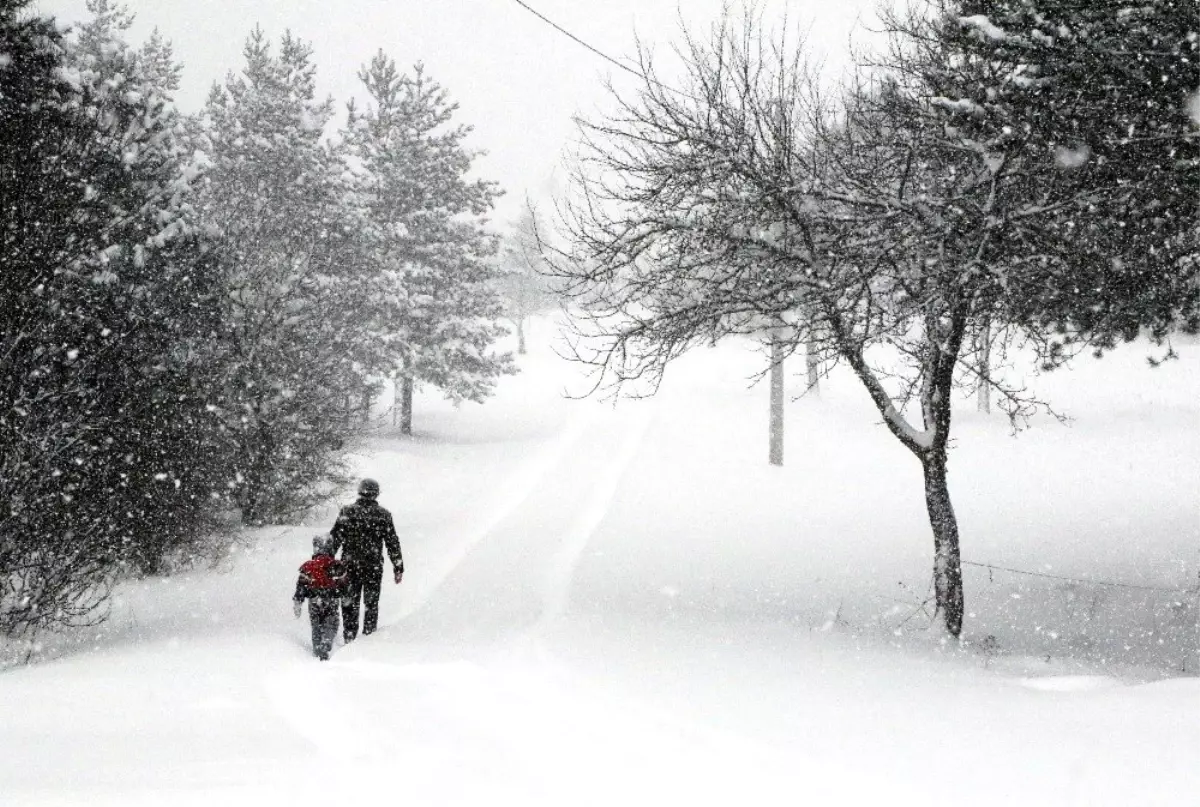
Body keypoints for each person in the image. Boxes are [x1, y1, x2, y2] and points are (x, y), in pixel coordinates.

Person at [330, 477, 404, 643]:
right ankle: (369, 639)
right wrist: (398, 567)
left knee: (349, 603)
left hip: (349, 566)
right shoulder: (384, 515)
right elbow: (392, 542)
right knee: (371, 603)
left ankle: (349, 637)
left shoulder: (347, 512)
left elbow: (335, 539)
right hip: (373, 566)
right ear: (376, 494)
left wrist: (327, 561)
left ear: (360, 491)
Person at [293, 534, 349, 661]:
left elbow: (301, 586)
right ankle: (327, 643)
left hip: (314, 599)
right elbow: (343, 584)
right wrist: (345, 597)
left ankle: (317, 648)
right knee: (331, 622)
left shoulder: (308, 566)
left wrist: (298, 601)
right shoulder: (336, 565)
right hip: (331, 599)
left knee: (316, 625)